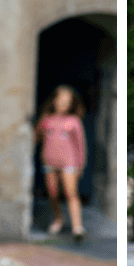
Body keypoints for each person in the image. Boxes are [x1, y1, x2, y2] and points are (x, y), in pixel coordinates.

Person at [34, 85, 88, 242]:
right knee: (52, 193)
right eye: (61, 100)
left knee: (71, 193)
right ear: (54, 101)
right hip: (49, 161)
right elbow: (35, 137)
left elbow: (80, 146)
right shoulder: (47, 119)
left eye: (68, 102)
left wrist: (80, 165)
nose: (64, 104)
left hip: (69, 162)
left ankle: (77, 227)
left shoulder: (74, 121)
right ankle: (58, 218)